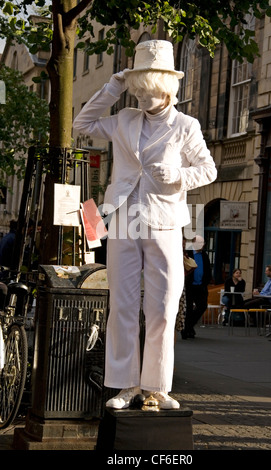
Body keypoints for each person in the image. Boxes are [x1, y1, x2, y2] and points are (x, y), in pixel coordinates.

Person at [73, 40, 217, 410]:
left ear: (166, 89)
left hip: (165, 222)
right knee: (120, 304)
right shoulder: (124, 119)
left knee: (164, 307)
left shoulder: (186, 126)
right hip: (123, 219)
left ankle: (157, 387)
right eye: (137, 90)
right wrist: (115, 86)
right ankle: (125, 385)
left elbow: (208, 170)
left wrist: (178, 175)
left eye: (147, 91)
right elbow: (82, 123)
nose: (141, 98)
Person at [181, 235, 211, 339]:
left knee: (202, 306)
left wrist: (206, 282)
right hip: (189, 286)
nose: (202, 245)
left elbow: (208, 270)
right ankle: (187, 330)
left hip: (200, 286)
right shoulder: (187, 254)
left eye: (203, 243)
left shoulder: (204, 255)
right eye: (200, 243)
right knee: (188, 309)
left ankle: (188, 326)